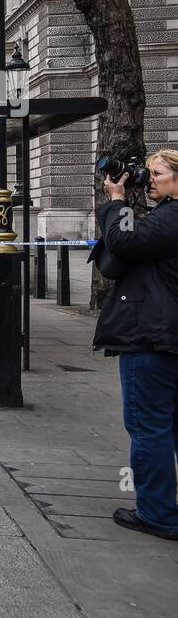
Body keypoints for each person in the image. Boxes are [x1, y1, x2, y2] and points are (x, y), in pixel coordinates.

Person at [92, 149, 178, 541]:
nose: (150, 178)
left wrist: (116, 200)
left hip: (152, 336)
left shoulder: (172, 218)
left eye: (158, 173)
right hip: (164, 335)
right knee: (166, 426)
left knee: (148, 426)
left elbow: (123, 243)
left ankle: (158, 513)